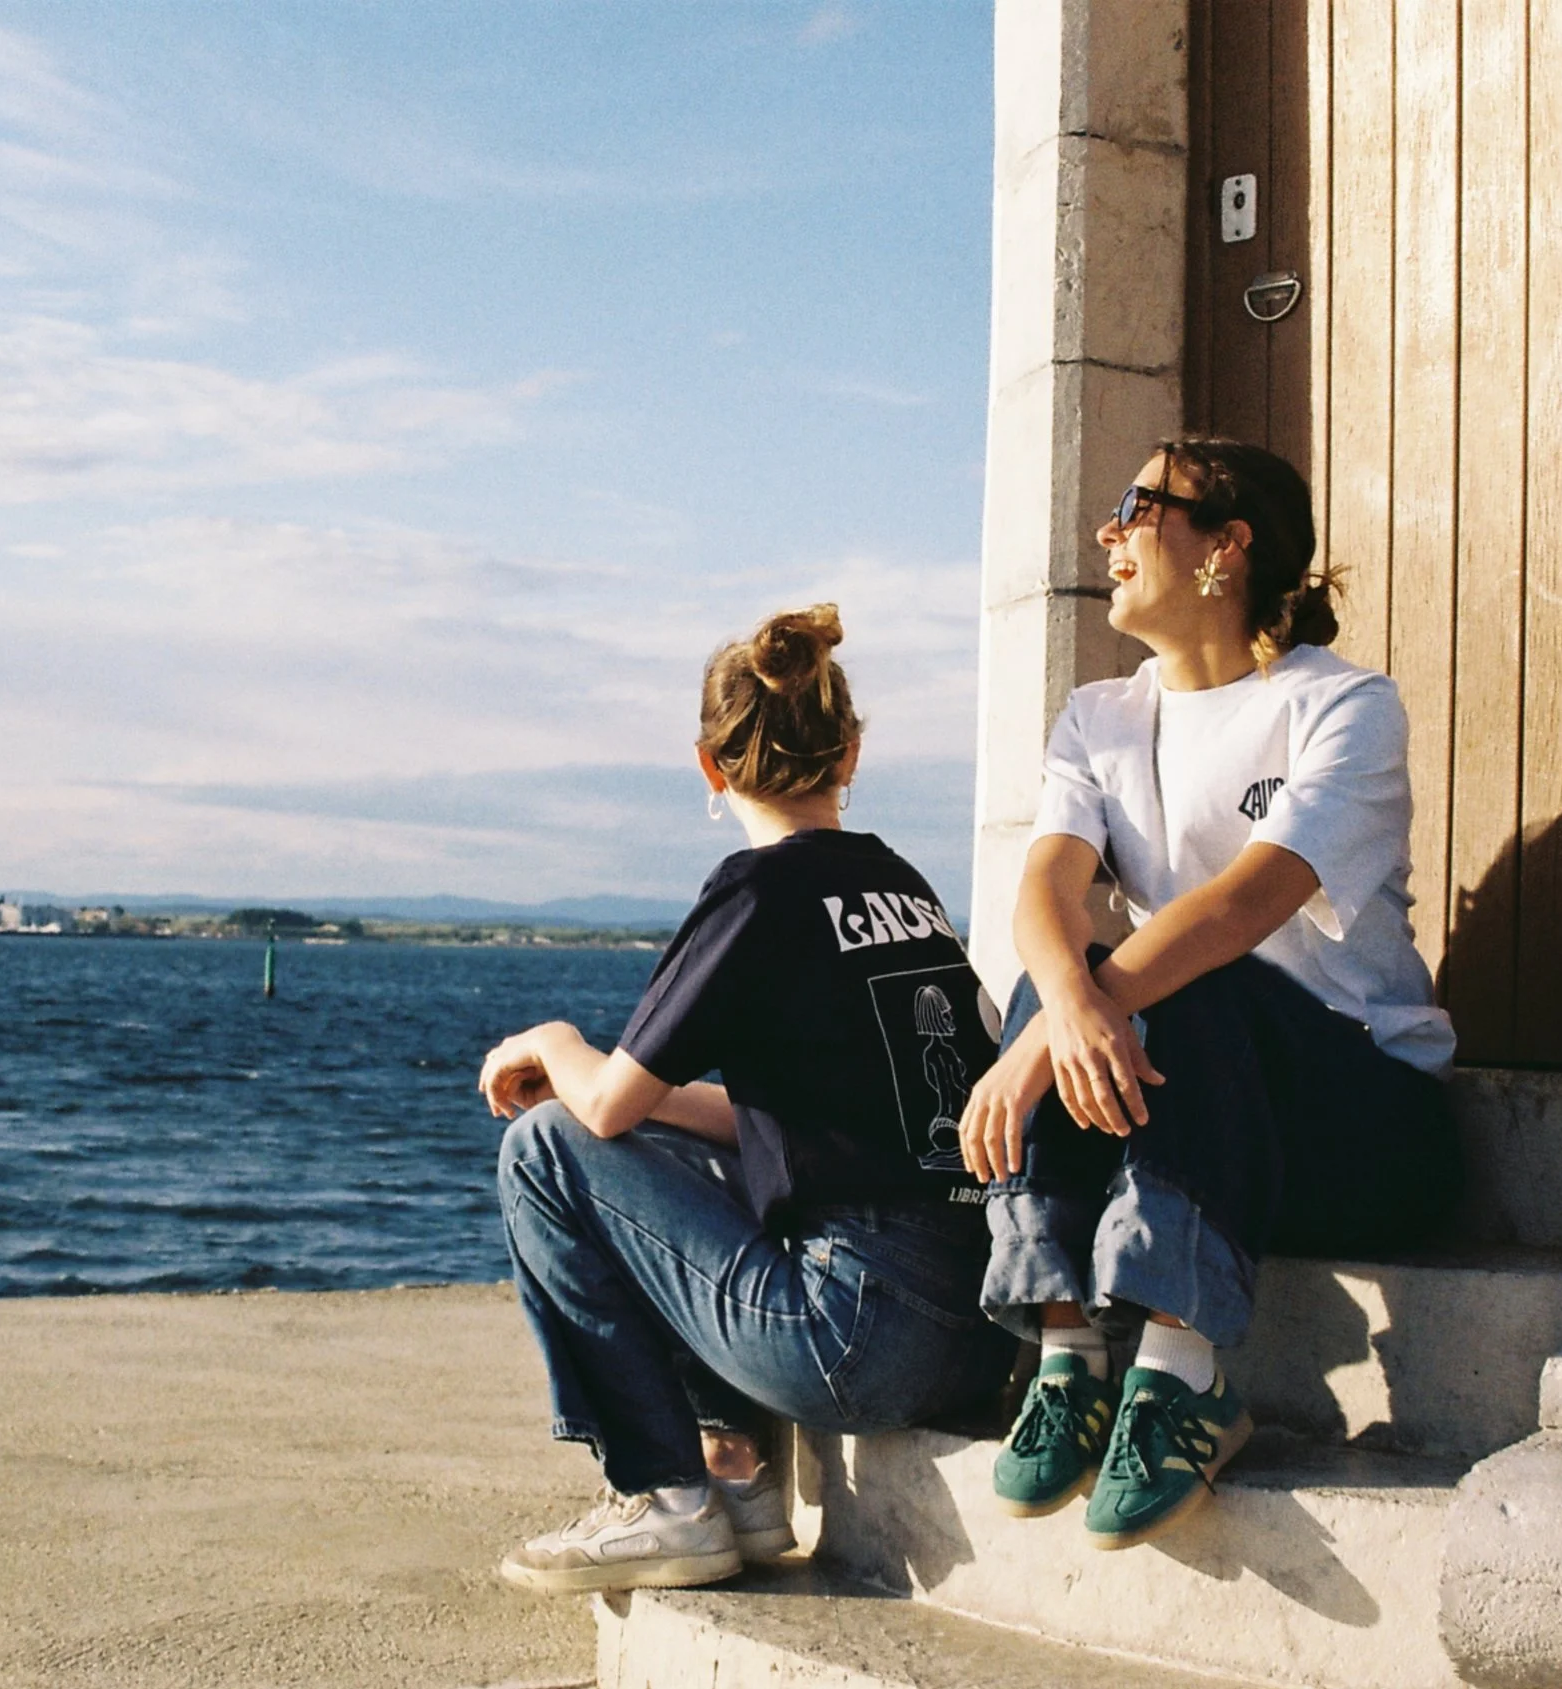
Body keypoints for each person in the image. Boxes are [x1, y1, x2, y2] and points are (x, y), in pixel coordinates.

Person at [957, 437, 1461, 1551]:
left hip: (1362, 1131)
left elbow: (1243, 905)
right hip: (1195, 1110)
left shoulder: (1343, 705)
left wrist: (1054, 1033)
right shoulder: (1100, 715)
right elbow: (1045, 890)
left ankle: (1181, 1373)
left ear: (1225, 547)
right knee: (1063, 976)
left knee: (1187, 972)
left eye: (1139, 504)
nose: (1108, 529)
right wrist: (1061, 1011)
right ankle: (1069, 1353)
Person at [483, 604, 1017, 1595]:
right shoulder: (902, 889)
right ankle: (735, 1477)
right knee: (670, 1145)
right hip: (977, 1331)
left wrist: (554, 1042)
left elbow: (602, 1110)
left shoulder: (756, 896)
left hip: (857, 1341)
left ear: (709, 766)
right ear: (849, 754)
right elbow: (797, 1130)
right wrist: (646, 1104)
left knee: (544, 1149)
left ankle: (663, 1496)